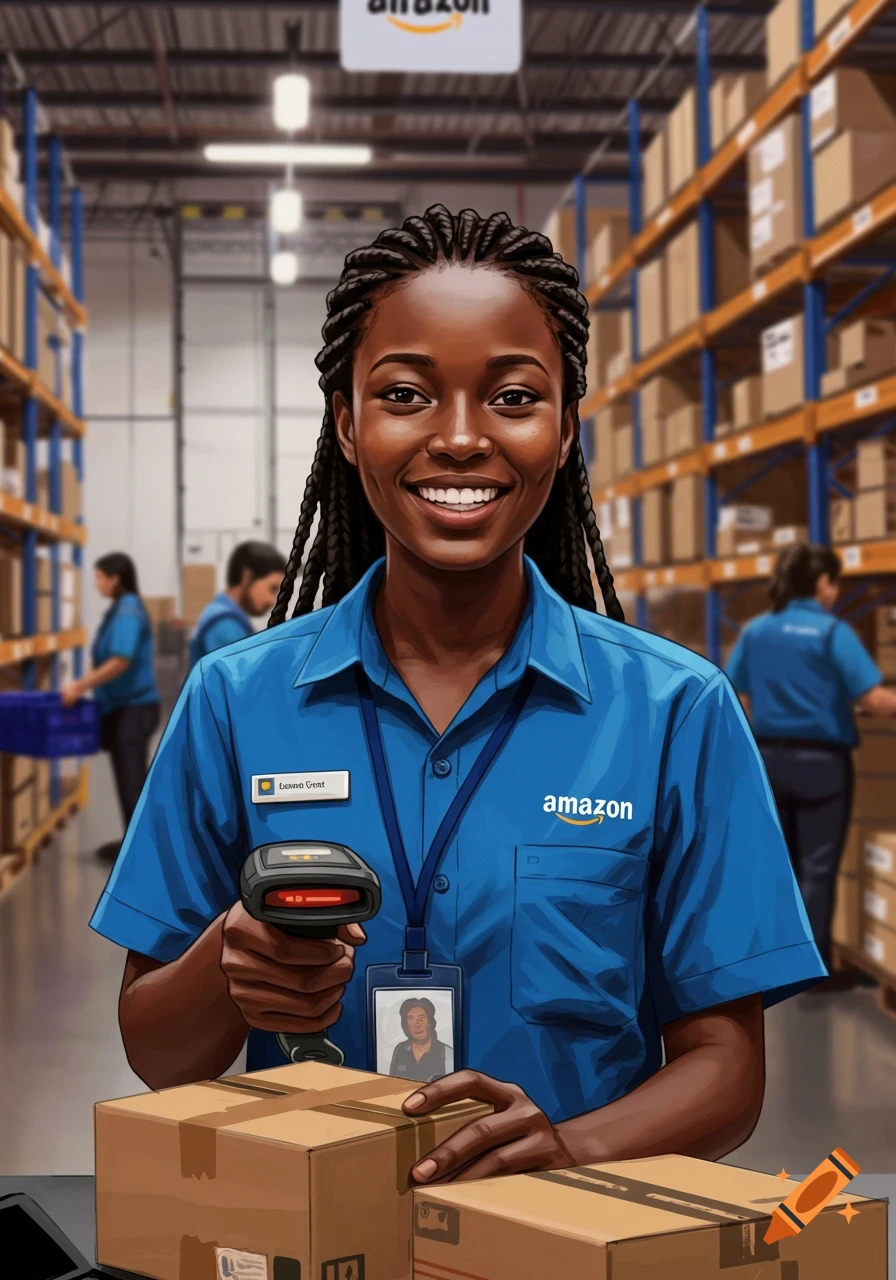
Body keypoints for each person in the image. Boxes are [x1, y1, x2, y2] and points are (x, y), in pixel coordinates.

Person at [91, 205, 824, 1188]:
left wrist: (572, 1146)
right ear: (348, 425)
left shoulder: (676, 711)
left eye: (514, 397)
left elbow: (727, 1068)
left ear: (564, 431)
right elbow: (156, 1052)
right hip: (314, 1237)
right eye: (404, 393)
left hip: (561, 1245)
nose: (461, 437)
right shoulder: (232, 699)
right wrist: (229, 961)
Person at [727, 542, 896, 984]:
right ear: (823, 583)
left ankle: (770, 963)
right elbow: (874, 700)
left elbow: (738, 697)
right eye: (834, 582)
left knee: (775, 864)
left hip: (767, 759)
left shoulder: (756, 631)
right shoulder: (830, 633)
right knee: (817, 869)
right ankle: (811, 971)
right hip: (821, 764)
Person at [62, 552, 160, 864]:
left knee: (131, 784)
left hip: (134, 709)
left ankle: (142, 858)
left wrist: (79, 686)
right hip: (123, 709)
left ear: (115, 578)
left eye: (100, 577)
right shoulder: (121, 609)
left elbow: (120, 660)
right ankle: (134, 847)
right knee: (126, 782)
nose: (97, 584)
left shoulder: (127, 612)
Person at [189, 541, 287, 666]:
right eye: (272, 589)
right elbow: (244, 682)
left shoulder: (219, 611)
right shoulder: (226, 625)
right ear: (247, 577)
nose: (272, 601)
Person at [389, 998, 449, 1083]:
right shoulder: (399, 1049)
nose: (417, 1025)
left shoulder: (446, 1052)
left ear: (430, 1022)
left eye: (421, 1018)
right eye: (411, 1018)